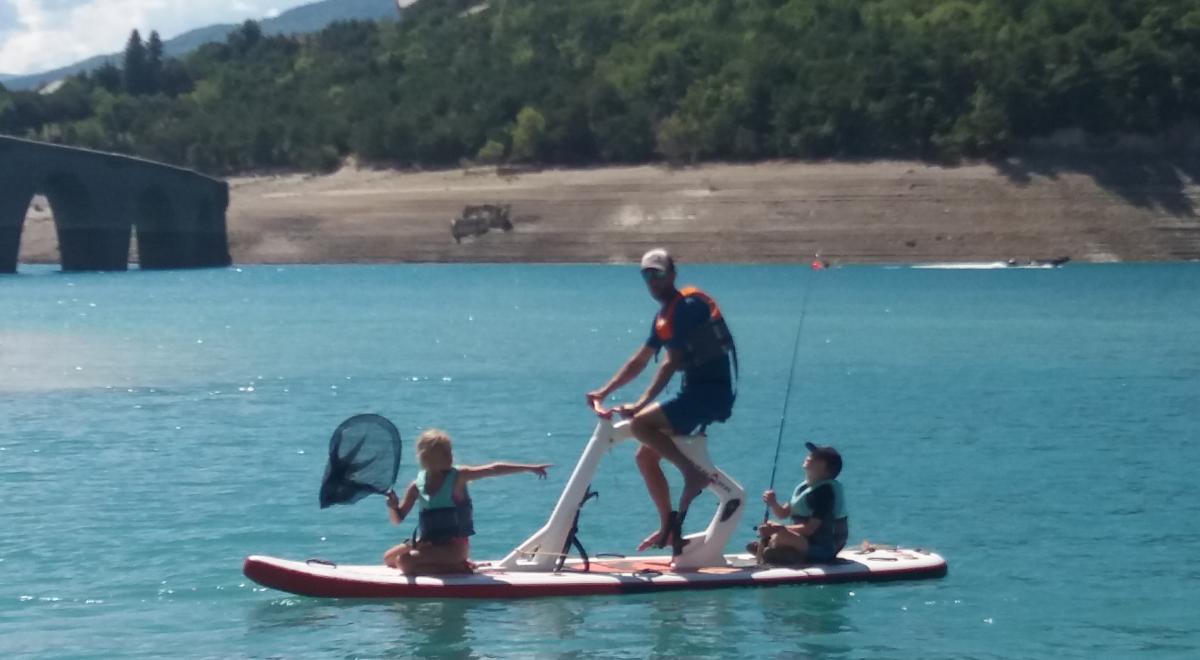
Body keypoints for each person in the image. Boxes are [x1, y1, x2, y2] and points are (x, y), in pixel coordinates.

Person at [586, 247, 738, 552]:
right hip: (692, 393)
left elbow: (671, 362)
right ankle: (668, 527)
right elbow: (640, 360)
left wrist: (640, 404)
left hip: (708, 395)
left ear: (672, 275)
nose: (653, 280)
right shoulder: (664, 315)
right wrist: (603, 392)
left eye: (658, 273)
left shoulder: (687, 307)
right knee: (645, 456)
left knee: (641, 424)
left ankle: (691, 473)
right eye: (647, 274)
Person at [383, 428, 551, 575]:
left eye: (450, 451)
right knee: (389, 558)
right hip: (428, 543)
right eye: (445, 453)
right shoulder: (416, 486)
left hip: (454, 547)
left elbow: (493, 469)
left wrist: (529, 468)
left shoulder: (458, 477)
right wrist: (392, 507)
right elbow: (398, 519)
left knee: (404, 562)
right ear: (430, 457)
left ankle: (458, 567)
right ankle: (438, 563)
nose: (451, 455)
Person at [749, 442, 849, 565]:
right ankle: (774, 550)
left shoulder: (825, 493)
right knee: (770, 525)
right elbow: (783, 513)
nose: (809, 456)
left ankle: (776, 551)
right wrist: (773, 502)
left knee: (780, 534)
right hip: (806, 540)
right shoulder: (804, 487)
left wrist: (779, 529)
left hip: (824, 548)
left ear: (825, 466)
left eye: (815, 456)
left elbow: (809, 529)